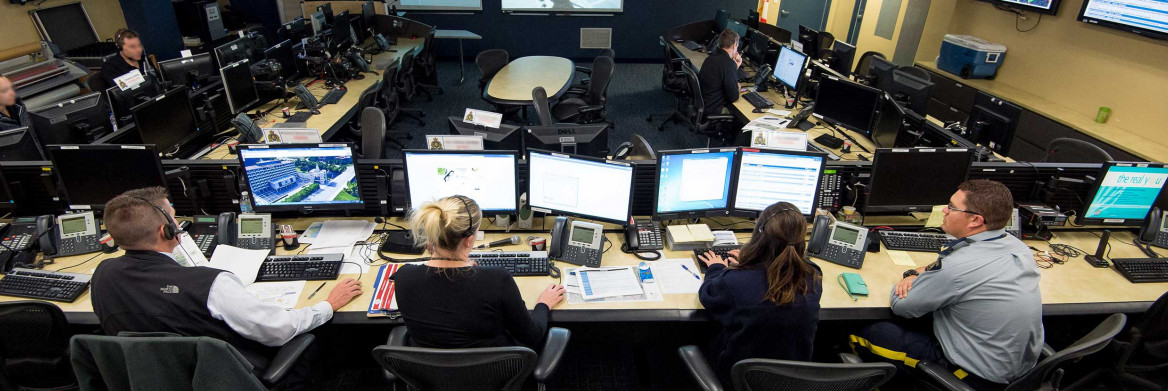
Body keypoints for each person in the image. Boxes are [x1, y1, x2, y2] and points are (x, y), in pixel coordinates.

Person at [91, 186, 363, 388]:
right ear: (167, 232)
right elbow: (279, 330)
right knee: (322, 340)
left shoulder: (102, 276)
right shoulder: (211, 284)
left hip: (156, 379)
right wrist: (328, 304)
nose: (178, 224)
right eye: (175, 219)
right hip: (233, 377)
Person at [849, 179, 1043, 390]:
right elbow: (954, 264)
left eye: (951, 207)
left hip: (973, 378)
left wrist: (909, 277)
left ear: (975, 220)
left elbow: (902, 306)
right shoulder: (1018, 247)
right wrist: (921, 272)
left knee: (864, 331)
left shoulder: (958, 268)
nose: (944, 210)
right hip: (1020, 374)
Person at [391, 195, 566, 349]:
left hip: (429, 376)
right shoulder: (496, 280)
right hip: (495, 375)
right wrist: (543, 304)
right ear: (468, 241)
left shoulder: (404, 277)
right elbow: (532, 336)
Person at [696, 202, 823, 383]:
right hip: (791, 381)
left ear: (759, 236)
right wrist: (751, 263)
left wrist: (717, 267)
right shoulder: (814, 277)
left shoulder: (735, 281)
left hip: (737, 379)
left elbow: (707, 294)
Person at [698, 28, 744, 117]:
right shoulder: (728, 64)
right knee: (739, 115)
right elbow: (734, 97)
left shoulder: (710, 58)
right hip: (714, 109)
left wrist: (735, 67)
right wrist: (737, 87)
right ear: (734, 45)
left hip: (704, 104)